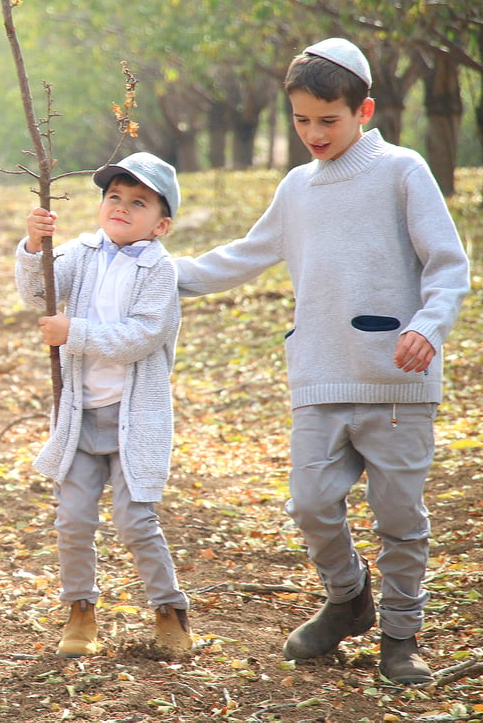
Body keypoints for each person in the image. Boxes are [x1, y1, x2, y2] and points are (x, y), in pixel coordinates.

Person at [174, 38, 470, 685]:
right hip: (319, 374)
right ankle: (347, 598)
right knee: (310, 503)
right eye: (301, 120)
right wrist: (163, 275)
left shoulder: (402, 170)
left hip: (397, 382)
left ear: (363, 109)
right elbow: (244, 255)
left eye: (327, 120)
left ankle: (400, 637)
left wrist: (428, 325)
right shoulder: (297, 188)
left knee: (399, 519)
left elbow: (448, 265)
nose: (313, 133)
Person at [16, 152, 193, 657]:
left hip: (133, 421)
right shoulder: (82, 253)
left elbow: (141, 336)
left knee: (135, 521)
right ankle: (80, 611)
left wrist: (74, 331)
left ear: (161, 224)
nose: (121, 207)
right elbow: (37, 292)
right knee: (72, 519)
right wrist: (34, 244)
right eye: (114, 197)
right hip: (80, 416)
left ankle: (168, 611)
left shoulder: (159, 271)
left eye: (137, 202)